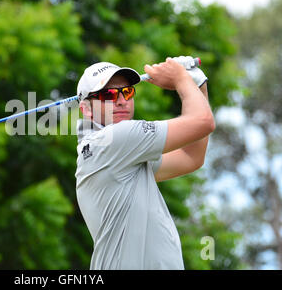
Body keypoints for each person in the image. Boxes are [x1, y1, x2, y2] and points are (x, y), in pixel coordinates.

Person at [75, 56, 215, 269]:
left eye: (127, 92)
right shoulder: (114, 139)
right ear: (86, 109)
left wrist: (197, 84)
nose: (121, 100)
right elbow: (203, 122)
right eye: (109, 95)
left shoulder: (117, 154)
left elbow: (191, 158)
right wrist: (181, 79)